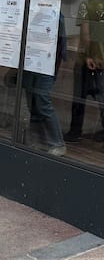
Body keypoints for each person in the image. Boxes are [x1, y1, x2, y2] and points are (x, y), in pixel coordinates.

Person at [64, 0, 104, 149]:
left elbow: (85, 34)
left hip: (89, 59)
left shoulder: (86, 5)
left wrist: (88, 55)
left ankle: (75, 132)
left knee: (79, 95)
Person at [23, 11, 67, 156]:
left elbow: (61, 45)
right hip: (31, 61)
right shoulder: (32, 9)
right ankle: (38, 140)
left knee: (42, 102)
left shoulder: (56, 13)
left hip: (47, 63)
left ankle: (57, 143)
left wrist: (57, 67)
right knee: (32, 102)